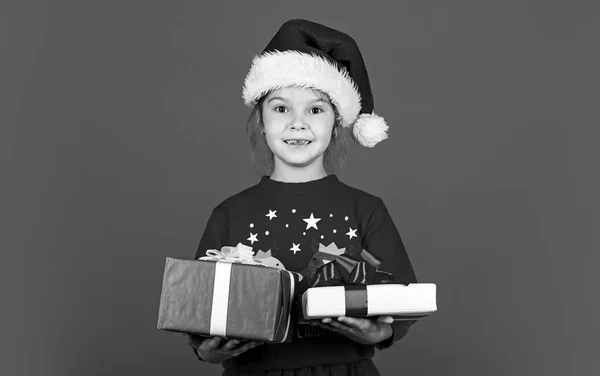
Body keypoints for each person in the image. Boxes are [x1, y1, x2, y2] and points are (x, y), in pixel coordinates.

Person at [186, 19, 419, 376]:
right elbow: (199, 313)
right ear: (261, 121)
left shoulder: (366, 209)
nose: (298, 123)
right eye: (281, 108)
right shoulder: (229, 214)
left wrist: (380, 331)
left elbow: (402, 296)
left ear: (337, 120)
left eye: (315, 109)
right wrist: (208, 351)